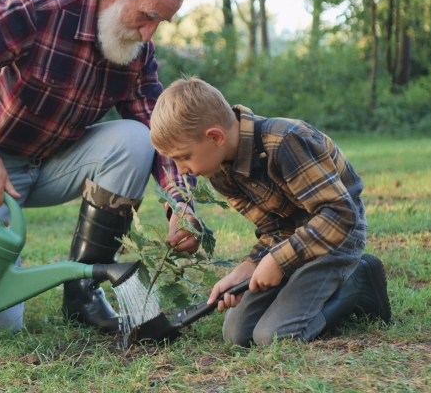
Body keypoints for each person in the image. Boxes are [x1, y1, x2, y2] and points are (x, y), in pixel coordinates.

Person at [0, 0, 201, 336]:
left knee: (137, 137)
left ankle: (83, 292)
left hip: (54, 163)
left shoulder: (138, 49)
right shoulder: (39, 7)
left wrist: (182, 203)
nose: (149, 32)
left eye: (160, 23)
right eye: (146, 16)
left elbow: (160, 131)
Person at [149, 77, 391, 346]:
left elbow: (339, 213)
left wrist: (279, 261)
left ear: (215, 137)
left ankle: (356, 284)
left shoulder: (286, 141)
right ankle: (302, 286)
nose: (181, 170)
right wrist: (247, 268)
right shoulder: (220, 172)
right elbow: (274, 229)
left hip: (337, 233)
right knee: (237, 335)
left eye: (183, 157)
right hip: (293, 239)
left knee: (273, 337)